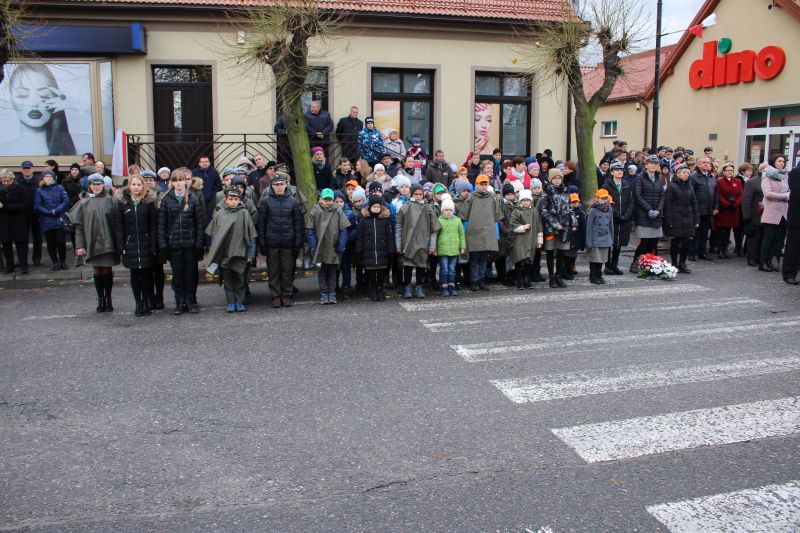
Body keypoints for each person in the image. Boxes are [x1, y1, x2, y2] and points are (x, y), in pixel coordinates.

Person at [158, 169, 205, 315]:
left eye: (181, 180)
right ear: (171, 183)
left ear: (186, 181)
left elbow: (199, 224)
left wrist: (199, 244)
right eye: (175, 180)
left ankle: (190, 301)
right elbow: (161, 224)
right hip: (174, 245)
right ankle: (179, 302)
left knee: (190, 274)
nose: (178, 183)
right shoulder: (166, 200)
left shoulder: (193, 199)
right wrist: (163, 244)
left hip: (189, 244)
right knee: (177, 275)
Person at [6, 64, 77, 155]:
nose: (34, 103)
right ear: (11, 100)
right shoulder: (4, 150)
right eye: (22, 95)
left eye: (44, 95)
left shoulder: (70, 152)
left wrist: (75, 105)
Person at [71, 175, 118, 311]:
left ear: (103, 185)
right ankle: (100, 298)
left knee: (107, 269)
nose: (96, 187)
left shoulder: (111, 201)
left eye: (99, 184)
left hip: (108, 241)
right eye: (93, 184)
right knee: (97, 270)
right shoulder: (84, 202)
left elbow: (118, 223)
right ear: (90, 186)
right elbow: (79, 227)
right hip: (91, 242)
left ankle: (108, 298)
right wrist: (80, 245)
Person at [205, 188, 257, 312]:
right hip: (224, 253)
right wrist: (214, 252)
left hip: (240, 253)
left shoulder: (244, 213)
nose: (233, 201)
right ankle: (230, 302)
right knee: (227, 280)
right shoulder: (220, 214)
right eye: (231, 199)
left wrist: (251, 254)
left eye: (236, 199)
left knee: (240, 279)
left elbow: (251, 235)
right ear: (226, 200)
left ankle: (239, 301)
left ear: (240, 200)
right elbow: (214, 235)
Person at [115, 175, 158, 316]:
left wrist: (153, 245)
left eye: (139, 184)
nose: (136, 187)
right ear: (129, 186)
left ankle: (146, 302)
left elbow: (153, 225)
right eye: (133, 184)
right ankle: (138, 303)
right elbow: (119, 226)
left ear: (143, 186)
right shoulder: (122, 203)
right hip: (130, 244)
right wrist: (121, 245)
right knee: (134, 276)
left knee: (147, 276)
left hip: (146, 244)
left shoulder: (148, 202)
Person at [396, 183, 441, 299]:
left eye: (420, 194)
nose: (418, 196)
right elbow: (398, 227)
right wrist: (398, 245)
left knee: (421, 266)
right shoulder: (405, 207)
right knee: (408, 266)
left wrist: (432, 246)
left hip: (423, 242)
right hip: (408, 242)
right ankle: (407, 287)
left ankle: (419, 287)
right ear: (412, 194)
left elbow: (433, 229)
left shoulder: (428, 208)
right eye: (416, 194)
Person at [306, 188, 350, 304]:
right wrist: (314, 246)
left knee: (332, 271)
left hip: (333, 246)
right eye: (325, 199)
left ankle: (332, 292)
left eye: (330, 200)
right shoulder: (315, 210)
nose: (328, 202)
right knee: (322, 271)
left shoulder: (338, 210)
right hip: (320, 246)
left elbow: (343, 229)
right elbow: (310, 230)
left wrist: (341, 245)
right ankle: (324, 293)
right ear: (320, 199)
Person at [458, 174, 501, 291]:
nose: (483, 186)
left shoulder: (492, 198)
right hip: (473, 233)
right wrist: (465, 232)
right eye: (481, 184)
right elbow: (464, 216)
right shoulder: (471, 197)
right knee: (474, 259)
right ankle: (474, 281)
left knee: (483, 259)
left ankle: (482, 280)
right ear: (476, 184)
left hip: (487, 233)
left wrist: (496, 234)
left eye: (485, 184)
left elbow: (496, 217)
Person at [540, 169, 576, 288]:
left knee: (561, 253)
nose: (557, 180)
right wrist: (555, 224)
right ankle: (551, 277)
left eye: (559, 178)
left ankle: (558, 276)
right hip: (551, 228)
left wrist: (574, 223)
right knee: (550, 253)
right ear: (551, 179)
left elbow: (570, 208)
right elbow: (543, 211)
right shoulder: (546, 192)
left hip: (564, 227)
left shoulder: (565, 191)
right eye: (555, 178)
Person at [356, 195, 394, 301]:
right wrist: (359, 250)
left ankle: (380, 290)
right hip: (369, 252)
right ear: (369, 207)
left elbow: (389, 237)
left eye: (378, 207)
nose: (376, 209)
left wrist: (391, 250)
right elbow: (360, 237)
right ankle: (372, 290)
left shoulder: (384, 220)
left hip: (382, 251)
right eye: (374, 207)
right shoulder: (364, 221)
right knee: (371, 273)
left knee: (381, 273)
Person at [631, 156, 666, 272]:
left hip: (656, 216)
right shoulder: (639, 178)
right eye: (651, 163)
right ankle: (636, 263)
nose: (653, 165)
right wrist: (649, 210)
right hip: (643, 215)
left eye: (655, 163)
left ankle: (651, 265)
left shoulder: (659, 178)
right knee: (644, 242)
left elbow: (662, 196)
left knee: (653, 242)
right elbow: (638, 195)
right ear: (646, 165)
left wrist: (658, 210)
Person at [663, 164, 699, 274]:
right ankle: (674, 263)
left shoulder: (690, 187)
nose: (686, 175)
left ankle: (682, 263)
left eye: (688, 173)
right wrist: (669, 220)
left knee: (686, 242)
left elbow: (694, 204)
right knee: (676, 241)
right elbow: (667, 205)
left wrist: (696, 220)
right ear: (678, 174)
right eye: (684, 173)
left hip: (688, 218)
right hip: (675, 218)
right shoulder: (672, 187)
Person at [601, 161, 633, 275]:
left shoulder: (626, 184)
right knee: (610, 242)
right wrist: (618, 215)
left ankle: (614, 265)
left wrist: (626, 215)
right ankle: (607, 265)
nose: (620, 172)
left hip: (624, 218)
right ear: (612, 172)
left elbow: (631, 202)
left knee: (619, 243)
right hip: (612, 218)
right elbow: (607, 202)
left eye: (621, 170)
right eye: (617, 170)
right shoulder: (607, 185)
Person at [34, 169, 69, 271]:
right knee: (51, 243)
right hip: (47, 220)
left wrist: (57, 210)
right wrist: (48, 212)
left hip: (59, 218)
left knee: (61, 241)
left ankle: (63, 261)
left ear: (53, 178)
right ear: (43, 178)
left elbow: (65, 200)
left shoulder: (60, 187)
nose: (48, 178)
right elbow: (38, 205)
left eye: (50, 176)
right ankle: (55, 262)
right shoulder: (39, 190)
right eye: (46, 176)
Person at [141, 170, 167, 309]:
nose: (148, 182)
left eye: (150, 180)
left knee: (158, 270)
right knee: (147, 271)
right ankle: (150, 297)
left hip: (158, 236)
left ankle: (160, 296)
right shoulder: (139, 196)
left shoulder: (161, 195)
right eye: (145, 180)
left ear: (155, 182)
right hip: (144, 237)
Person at [759, 157, 789, 272]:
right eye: (779, 161)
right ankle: (763, 262)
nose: (782, 163)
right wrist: (784, 196)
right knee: (769, 238)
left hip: (783, 211)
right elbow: (767, 194)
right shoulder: (767, 176)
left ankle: (770, 261)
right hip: (771, 211)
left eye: (783, 161)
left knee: (777, 239)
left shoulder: (785, 176)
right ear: (773, 162)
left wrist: (786, 195)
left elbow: (789, 191)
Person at [508, 189, 542, 289]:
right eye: (523, 200)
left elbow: (539, 225)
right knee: (519, 259)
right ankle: (520, 281)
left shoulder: (534, 211)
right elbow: (512, 225)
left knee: (529, 260)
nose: (525, 202)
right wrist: (522, 227)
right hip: (520, 239)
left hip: (531, 238)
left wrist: (539, 239)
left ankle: (526, 279)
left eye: (527, 200)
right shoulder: (516, 211)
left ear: (530, 200)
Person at [435, 194, 466, 296]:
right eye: (446, 210)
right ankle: (444, 287)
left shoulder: (457, 221)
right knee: (444, 269)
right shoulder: (439, 220)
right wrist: (434, 248)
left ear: (453, 211)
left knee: (452, 269)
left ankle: (452, 286)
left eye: (450, 210)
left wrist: (462, 247)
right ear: (442, 210)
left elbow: (461, 234)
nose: (448, 212)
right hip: (443, 250)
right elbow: (436, 236)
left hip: (454, 250)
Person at [0, 170, 29, 274]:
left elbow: (24, 205)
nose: (5, 183)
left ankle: (24, 266)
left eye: (8, 181)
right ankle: (9, 266)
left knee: (21, 245)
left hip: (18, 221)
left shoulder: (20, 188)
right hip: (4, 222)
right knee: (6, 245)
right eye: (3, 181)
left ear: (12, 179)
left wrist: (6, 206)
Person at [713, 161, 743, 259]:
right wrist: (727, 204)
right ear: (724, 171)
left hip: (733, 210)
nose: (730, 172)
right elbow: (719, 195)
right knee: (720, 231)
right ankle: (720, 249)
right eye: (727, 170)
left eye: (731, 170)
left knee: (728, 231)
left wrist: (736, 204)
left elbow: (740, 194)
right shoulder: (719, 181)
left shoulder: (737, 181)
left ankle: (725, 249)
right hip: (723, 210)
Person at [585, 189, 615, 285]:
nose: (604, 200)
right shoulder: (593, 210)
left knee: (602, 258)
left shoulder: (609, 209)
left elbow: (611, 225)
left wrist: (611, 238)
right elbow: (589, 227)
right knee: (595, 258)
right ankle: (592, 275)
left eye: (605, 198)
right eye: (602, 198)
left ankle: (599, 274)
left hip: (605, 237)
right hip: (595, 238)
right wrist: (588, 241)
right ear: (597, 198)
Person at [690, 156, 717, 261]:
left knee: (704, 233)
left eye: (708, 162)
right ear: (698, 164)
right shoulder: (694, 177)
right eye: (704, 162)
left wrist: (715, 207)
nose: (706, 164)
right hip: (697, 210)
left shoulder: (711, 176)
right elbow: (691, 194)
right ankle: (692, 252)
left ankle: (702, 252)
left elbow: (716, 193)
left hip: (708, 210)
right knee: (695, 233)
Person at [742, 163, 764, 267]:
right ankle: (752, 257)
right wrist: (747, 216)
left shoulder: (770, 181)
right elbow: (746, 200)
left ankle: (760, 257)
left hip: (766, 215)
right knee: (754, 237)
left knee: (762, 237)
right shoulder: (752, 182)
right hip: (755, 214)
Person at [782, 166, 800, 285]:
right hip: (797, 218)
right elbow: (797, 192)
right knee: (793, 247)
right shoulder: (795, 172)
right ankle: (789, 274)